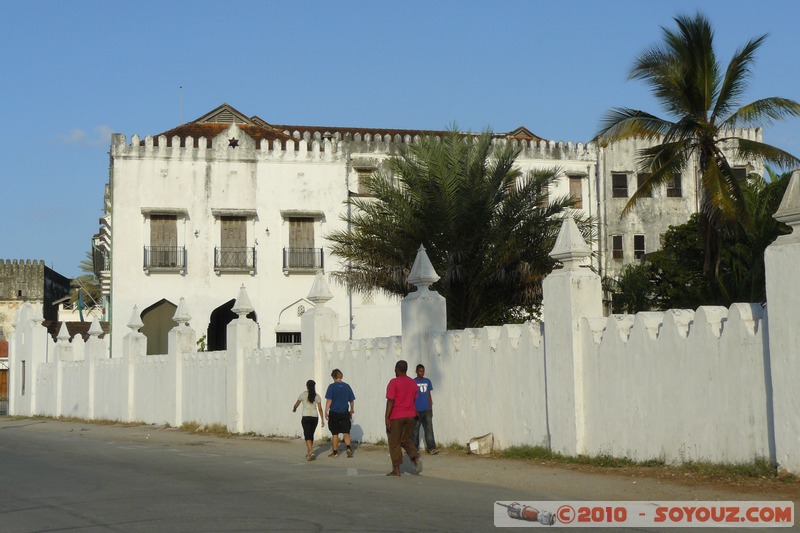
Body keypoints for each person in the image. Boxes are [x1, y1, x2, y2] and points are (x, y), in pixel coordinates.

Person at [385, 359, 422, 477]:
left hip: (397, 416)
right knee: (406, 439)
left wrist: (387, 417)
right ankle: (415, 458)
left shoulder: (393, 382)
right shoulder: (412, 383)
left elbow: (391, 401)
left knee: (394, 442)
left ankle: (396, 469)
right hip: (410, 415)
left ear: (397, 369)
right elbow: (414, 399)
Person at [324, 368, 355, 458]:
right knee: (346, 431)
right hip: (345, 412)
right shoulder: (347, 386)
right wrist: (352, 409)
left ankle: (335, 452)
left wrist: (326, 411)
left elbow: (329, 400)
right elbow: (351, 400)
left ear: (333, 377)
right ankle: (348, 447)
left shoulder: (331, 387)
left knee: (335, 433)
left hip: (334, 412)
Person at [292, 379, 325, 461]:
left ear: (307, 386)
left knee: (307, 435)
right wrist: (322, 420)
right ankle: (309, 452)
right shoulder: (317, 396)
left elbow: (296, 405)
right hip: (315, 417)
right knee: (311, 434)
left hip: (306, 416)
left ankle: (311, 452)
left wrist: (294, 409)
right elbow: (320, 409)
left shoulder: (303, 395)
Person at [413, 364, 438, 454]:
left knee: (429, 429)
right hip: (417, 410)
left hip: (426, 409)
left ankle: (431, 448)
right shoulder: (413, 382)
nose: (421, 373)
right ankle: (415, 448)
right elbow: (412, 397)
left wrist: (431, 407)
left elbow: (429, 395)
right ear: (416, 371)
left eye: (423, 371)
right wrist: (413, 409)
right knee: (415, 430)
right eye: (420, 371)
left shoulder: (427, 381)